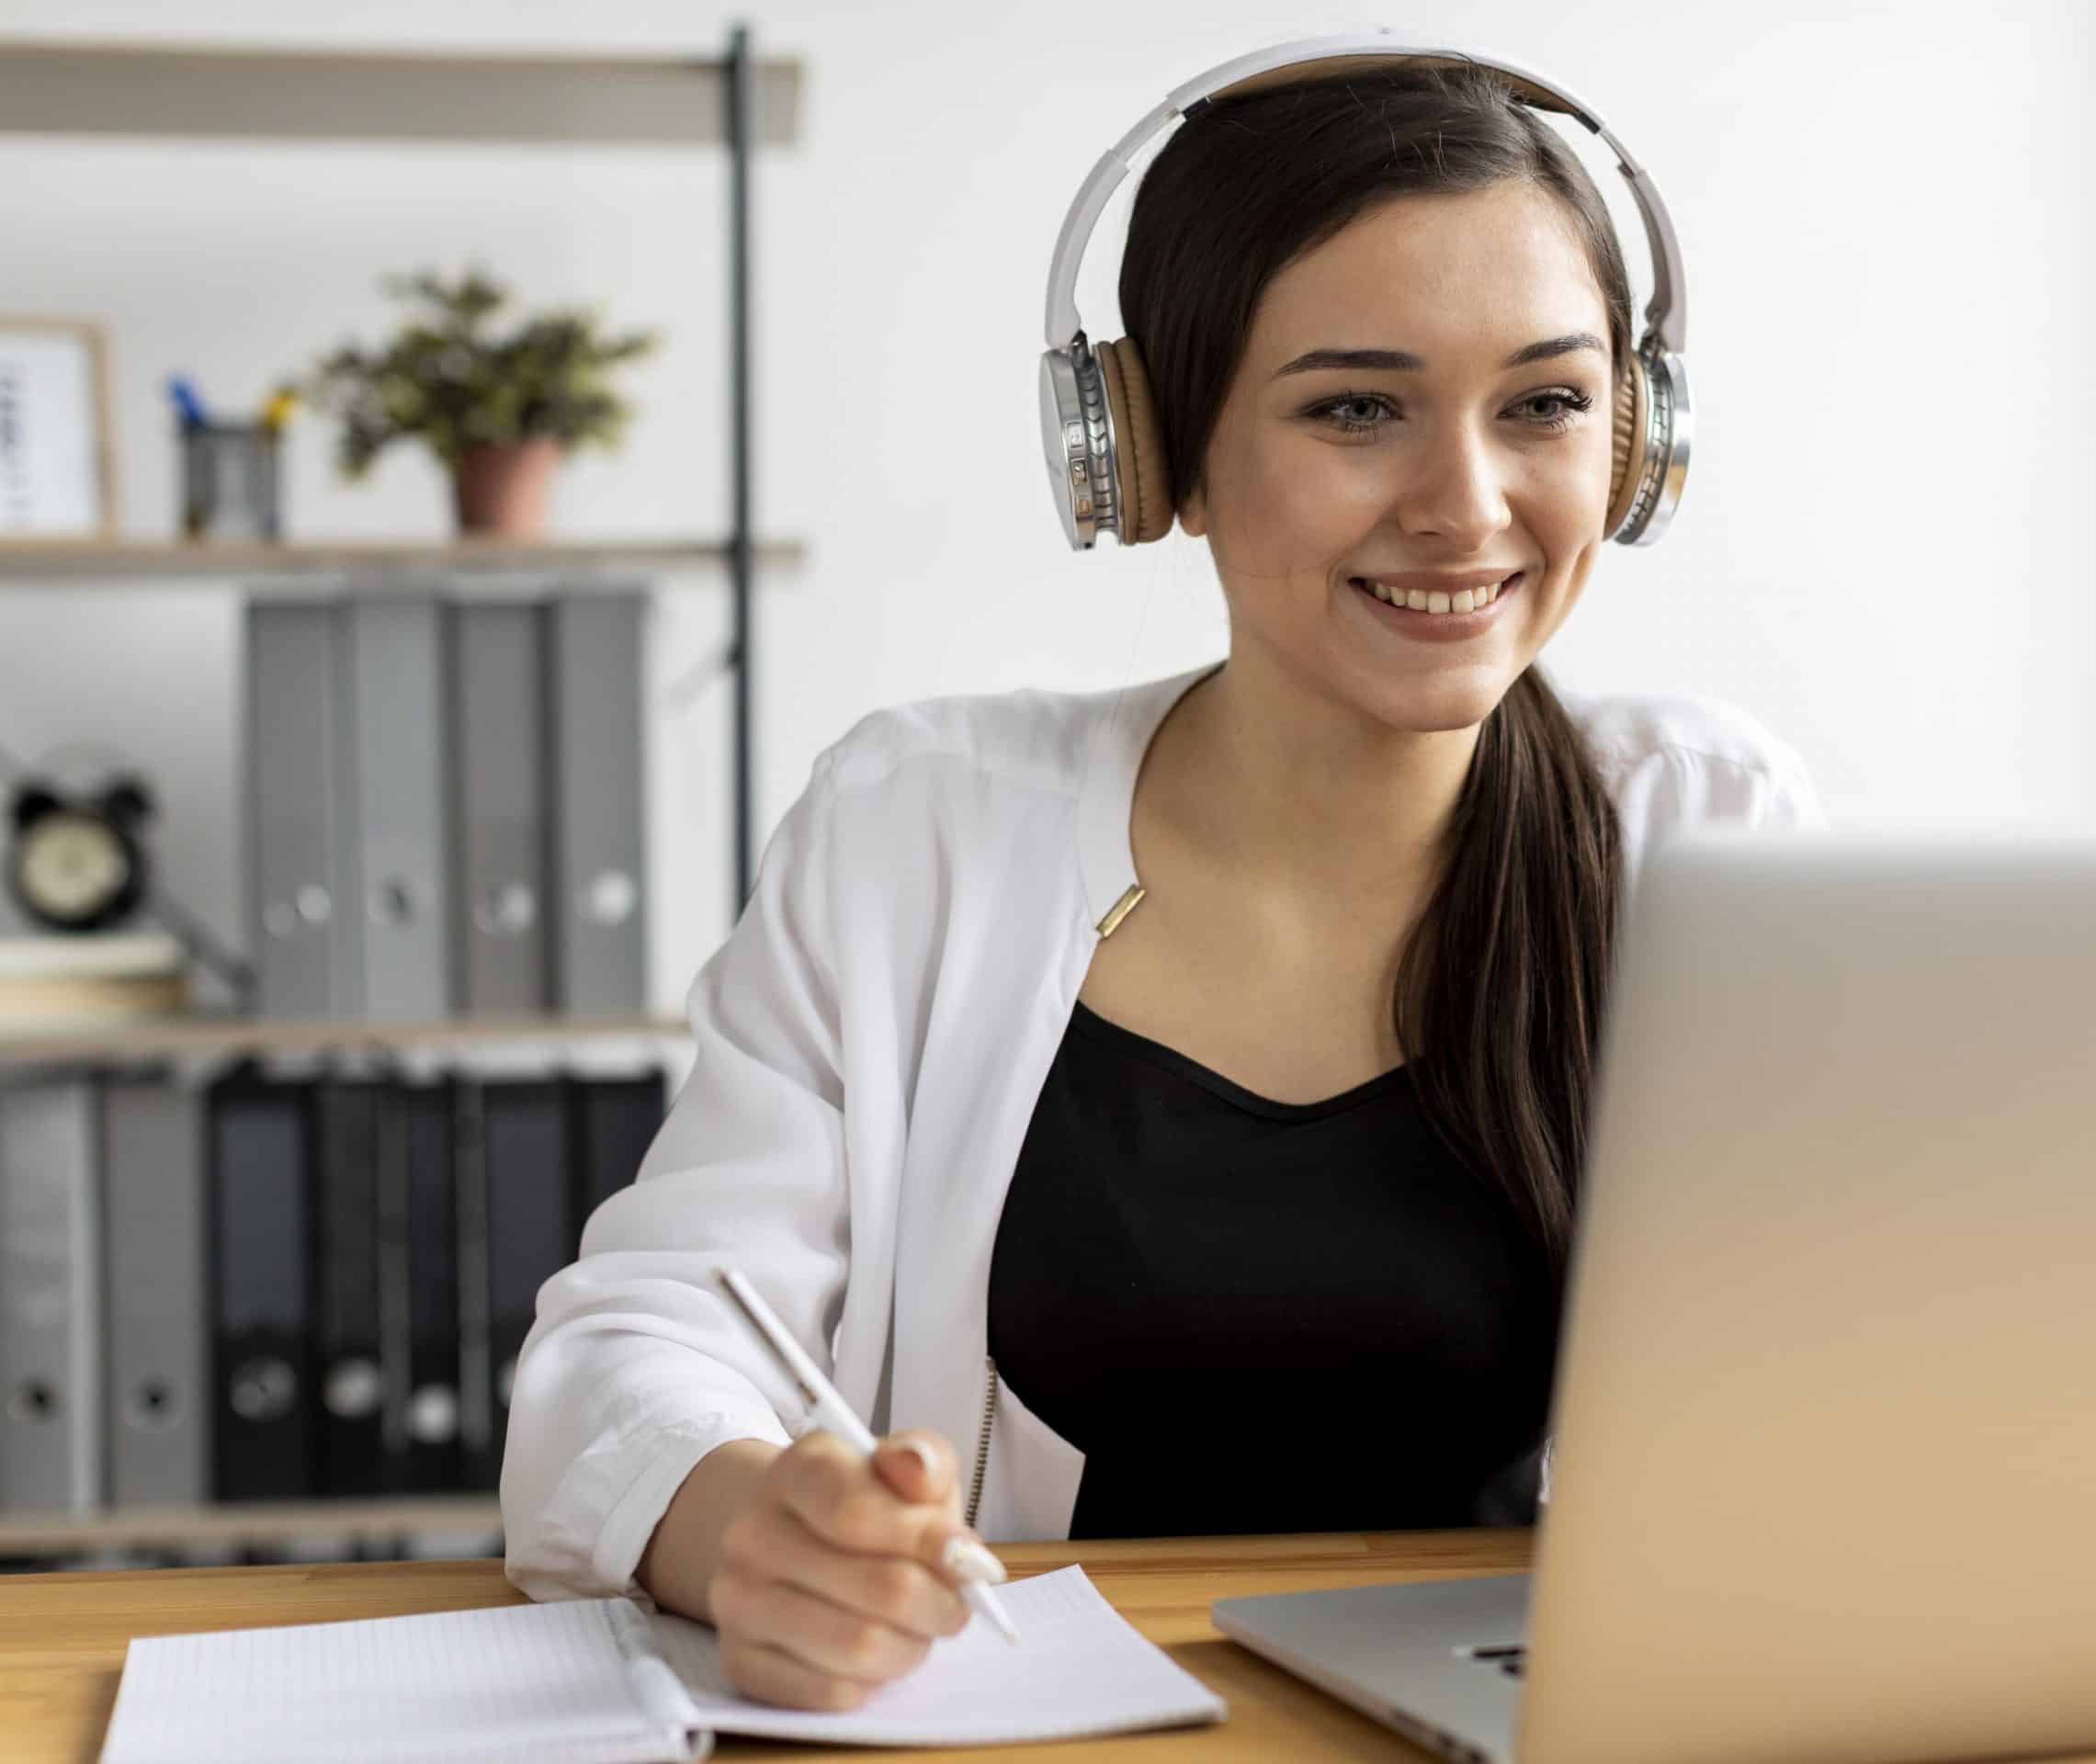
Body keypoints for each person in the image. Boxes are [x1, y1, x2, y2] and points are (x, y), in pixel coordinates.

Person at [501, 51, 1823, 1712]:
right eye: (1358, 406)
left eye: (1545, 404)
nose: (1466, 505)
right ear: (1147, 454)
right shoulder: (923, 825)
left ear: (1635, 441)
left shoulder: (1701, 828)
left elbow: (1852, 1378)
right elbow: (639, 1340)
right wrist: (744, 1527)